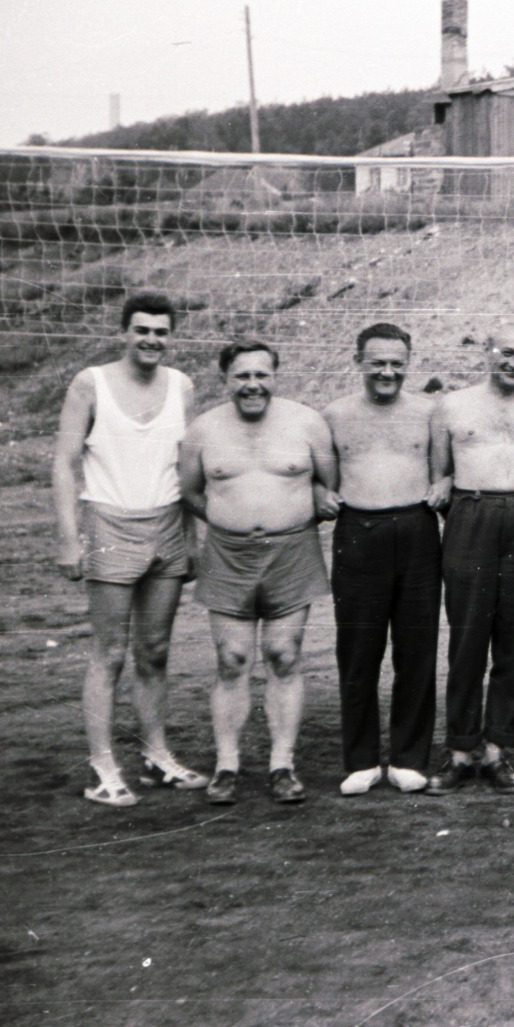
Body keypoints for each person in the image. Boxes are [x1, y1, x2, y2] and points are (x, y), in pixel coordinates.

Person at [52, 292, 206, 807]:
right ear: (125, 331)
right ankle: (102, 767)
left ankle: (156, 755)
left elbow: (186, 470)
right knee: (109, 652)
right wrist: (70, 538)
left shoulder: (181, 386)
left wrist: (191, 538)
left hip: (165, 526)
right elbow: (63, 463)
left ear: (170, 336)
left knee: (155, 651)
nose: (151, 340)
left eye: (161, 332)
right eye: (142, 330)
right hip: (108, 523)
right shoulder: (90, 384)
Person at [180, 339, 338, 805]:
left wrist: (306, 503)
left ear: (275, 375)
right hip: (229, 554)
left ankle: (281, 765)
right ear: (226, 379)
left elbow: (328, 483)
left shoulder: (307, 422)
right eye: (242, 376)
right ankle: (226, 765)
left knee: (283, 654)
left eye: (261, 375)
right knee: (231, 659)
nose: (252, 385)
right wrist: (235, 520)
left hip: (292, 551)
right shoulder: (203, 430)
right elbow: (190, 492)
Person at [425, 319, 514, 796]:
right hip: (472, 515)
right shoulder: (452, 405)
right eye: (507, 352)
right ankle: (461, 749)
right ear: (487, 351)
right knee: (466, 637)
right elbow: (440, 475)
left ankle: (499, 750)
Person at [321, 323, 440, 796]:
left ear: (408, 363)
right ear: (359, 362)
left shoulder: (430, 413)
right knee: (358, 651)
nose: (387, 372)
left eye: (396, 363)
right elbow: (321, 478)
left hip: (415, 530)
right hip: (358, 531)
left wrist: (444, 485)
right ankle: (362, 759)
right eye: (377, 363)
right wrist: (321, 496)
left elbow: (444, 471)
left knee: (416, 649)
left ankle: (410, 758)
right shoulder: (333, 415)